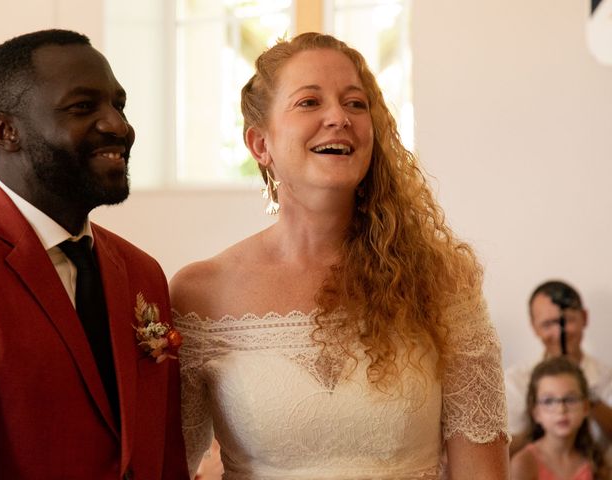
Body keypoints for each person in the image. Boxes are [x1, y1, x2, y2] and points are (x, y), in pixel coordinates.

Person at [171, 32, 509, 479]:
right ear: (260, 144)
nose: (338, 117)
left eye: (355, 103)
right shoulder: (200, 294)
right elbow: (167, 466)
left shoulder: (442, 281)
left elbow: (482, 473)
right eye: (309, 102)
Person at [0, 29, 188, 479]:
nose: (118, 126)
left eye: (119, 105)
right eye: (83, 107)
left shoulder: (141, 272)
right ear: (4, 130)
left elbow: (164, 456)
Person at [506, 280, 612, 457]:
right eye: (548, 324)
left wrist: (588, 395)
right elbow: (503, 452)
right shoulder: (517, 381)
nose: (559, 333)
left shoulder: (606, 378)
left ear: (584, 318)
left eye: (567, 320)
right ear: (534, 327)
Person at [511, 356, 608, 479]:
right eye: (549, 401)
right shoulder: (523, 464)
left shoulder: (595, 463)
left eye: (570, 399)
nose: (561, 410)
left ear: (586, 407)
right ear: (535, 413)